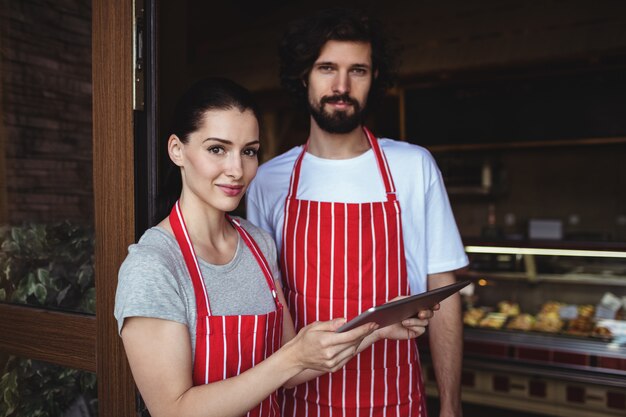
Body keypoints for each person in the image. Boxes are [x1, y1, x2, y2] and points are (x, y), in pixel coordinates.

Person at [114, 77, 433, 417]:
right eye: (217, 149)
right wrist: (291, 357)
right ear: (177, 149)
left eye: (249, 151)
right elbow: (173, 411)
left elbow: (294, 369)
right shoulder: (154, 265)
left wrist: (377, 327)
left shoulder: (258, 244)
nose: (237, 170)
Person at [246, 8, 469, 417]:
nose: (341, 86)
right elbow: (268, 305)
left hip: (395, 402)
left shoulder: (414, 167)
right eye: (327, 68)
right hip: (300, 403)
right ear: (303, 76)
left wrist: (451, 407)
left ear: (374, 78)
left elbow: (443, 287)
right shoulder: (267, 181)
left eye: (358, 70)